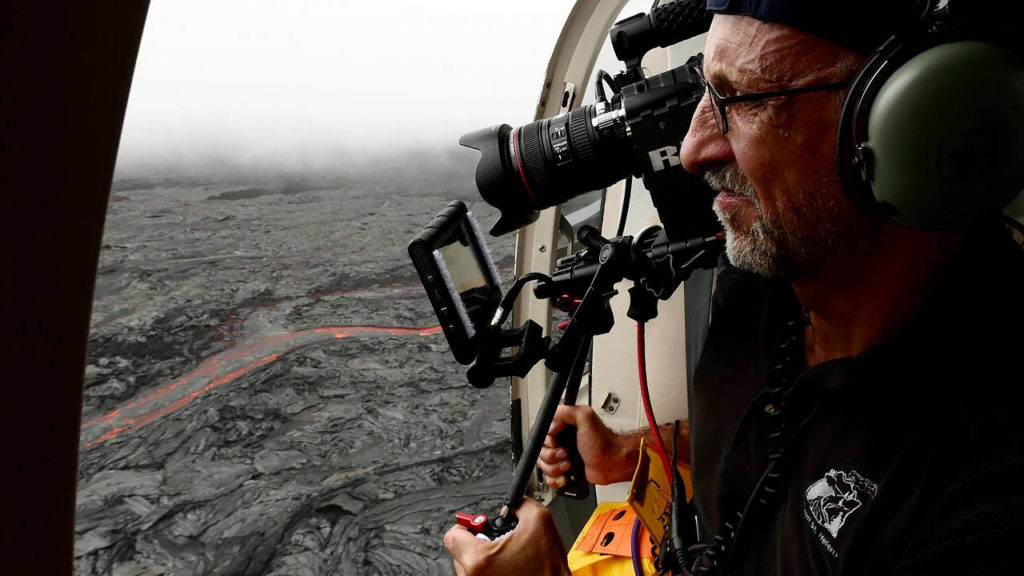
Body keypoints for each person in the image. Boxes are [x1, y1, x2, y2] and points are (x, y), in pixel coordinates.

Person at [445, 1, 1024, 574]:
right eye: (705, 93)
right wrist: (636, 451)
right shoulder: (764, 271)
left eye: (746, 102)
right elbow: (793, 441)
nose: (694, 151)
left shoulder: (987, 485)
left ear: (913, 124)